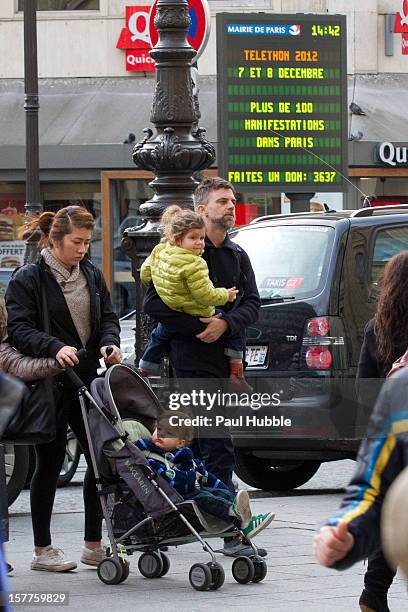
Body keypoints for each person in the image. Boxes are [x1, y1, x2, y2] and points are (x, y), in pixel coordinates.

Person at [143, 177, 261, 557]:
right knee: (213, 445)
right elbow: (155, 307)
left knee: (211, 446)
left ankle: (211, 522)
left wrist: (225, 324)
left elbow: (252, 304)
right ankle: (228, 531)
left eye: (233, 200)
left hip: (225, 363)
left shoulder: (237, 255)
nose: (231, 206)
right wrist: (201, 328)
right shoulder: (178, 250)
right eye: (223, 201)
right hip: (190, 362)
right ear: (203, 207)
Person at [5, 206, 121, 572]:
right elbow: (19, 330)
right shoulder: (29, 278)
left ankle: (92, 544)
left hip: (86, 378)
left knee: (100, 459)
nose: (83, 249)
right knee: (50, 462)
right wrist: (54, 347)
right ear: (55, 240)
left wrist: (109, 342)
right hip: (49, 381)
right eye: (77, 242)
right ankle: (43, 550)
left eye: (88, 242)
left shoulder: (89, 272)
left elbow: (107, 317)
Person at [314, 251, 408, 612]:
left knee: (390, 511)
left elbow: (363, 387)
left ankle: (373, 593)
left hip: (387, 436)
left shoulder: (376, 328)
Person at [139, 205, 250, 388]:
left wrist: (157, 281)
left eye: (201, 238)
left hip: (178, 310)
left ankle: (145, 368)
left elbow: (144, 272)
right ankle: (236, 367)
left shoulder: (160, 251)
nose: (199, 243)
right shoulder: (195, 263)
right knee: (231, 324)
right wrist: (225, 296)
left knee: (159, 336)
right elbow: (205, 295)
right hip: (194, 331)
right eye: (193, 238)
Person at [135, 410, 274, 538]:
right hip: (174, 495)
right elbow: (170, 481)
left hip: (190, 491)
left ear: (180, 443)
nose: (160, 435)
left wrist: (224, 489)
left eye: (169, 433)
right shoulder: (151, 458)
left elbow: (206, 476)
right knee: (205, 497)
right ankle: (238, 517)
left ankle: (244, 520)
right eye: (158, 429)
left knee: (220, 493)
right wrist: (190, 476)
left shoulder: (187, 459)